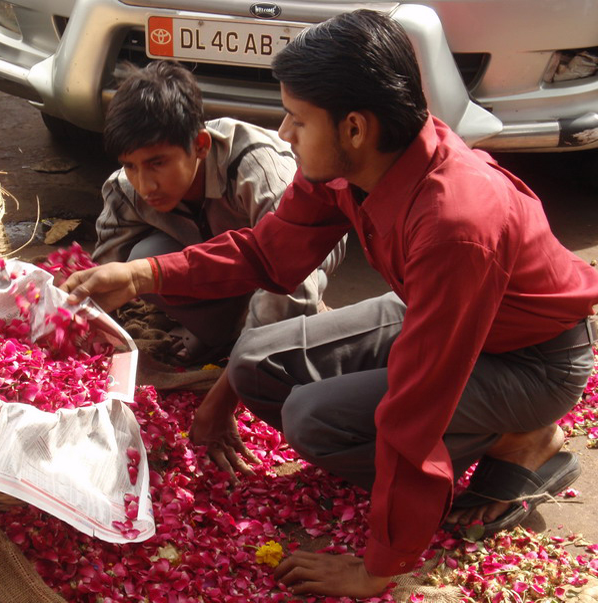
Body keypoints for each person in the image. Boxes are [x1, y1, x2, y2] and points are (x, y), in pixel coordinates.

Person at [62, 10, 598, 599]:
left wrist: (378, 567)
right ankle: (486, 434)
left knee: (313, 419)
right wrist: (141, 274)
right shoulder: (346, 169)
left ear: (355, 129)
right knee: (253, 363)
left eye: (297, 118)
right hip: (433, 308)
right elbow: (269, 254)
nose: (284, 132)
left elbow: (417, 406)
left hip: (531, 360)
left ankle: (518, 441)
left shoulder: (456, 224)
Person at [93, 60, 346, 366]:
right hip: (234, 262)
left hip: (292, 258)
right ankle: (220, 334)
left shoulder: (260, 169)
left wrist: (241, 370)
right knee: (142, 258)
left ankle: (270, 332)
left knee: (285, 303)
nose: (145, 185)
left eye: (157, 163)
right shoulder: (125, 189)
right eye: (130, 166)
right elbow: (104, 275)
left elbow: (287, 266)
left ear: (201, 145)